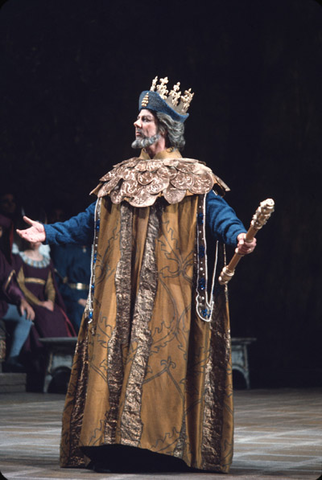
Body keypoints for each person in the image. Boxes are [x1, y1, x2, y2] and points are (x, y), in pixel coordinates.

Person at [17, 76, 256, 473]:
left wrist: (238, 237)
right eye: (138, 117)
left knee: (161, 367)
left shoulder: (193, 176)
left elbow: (219, 216)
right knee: (113, 362)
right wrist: (48, 233)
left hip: (170, 297)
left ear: (163, 128)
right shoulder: (121, 177)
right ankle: (113, 446)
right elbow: (86, 224)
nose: (136, 124)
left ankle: (161, 448)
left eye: (144, 118)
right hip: (120, 297)